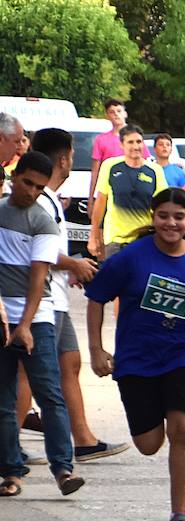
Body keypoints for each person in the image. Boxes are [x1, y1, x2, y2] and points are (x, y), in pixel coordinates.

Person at [85, 188, 185, 521]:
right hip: (136, 359)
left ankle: (180, 514)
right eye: (164, 216)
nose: (171, 223)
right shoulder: (131, 258)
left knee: (183, 429)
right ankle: (152, 438)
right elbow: (95, 298)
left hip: (182, 353)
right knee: (149, 443)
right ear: (153, 218)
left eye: (179, 217)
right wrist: (96, 349)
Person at [20, 128, 125, 464]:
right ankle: (9, 448)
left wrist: (71, 270)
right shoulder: (42, 201)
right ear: (64, 158)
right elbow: (35, 251)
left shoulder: (48, 200)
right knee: (27, 372)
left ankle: (83, 439)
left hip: (56, 296)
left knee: (70, 363)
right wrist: (74, 264)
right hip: (42, 300)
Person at [0, 153, 85, 498]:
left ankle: (63, 469)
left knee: (50, 394)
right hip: (2, 316)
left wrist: (25, 325)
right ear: (13, 177)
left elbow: (39, 276)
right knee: (4, 398)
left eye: (39, 186)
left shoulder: (43, 222)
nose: (32, 192)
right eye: (27, 183)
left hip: (36, 317)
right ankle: (10, 471)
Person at [89, 125, 167, 260]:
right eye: (130, 142)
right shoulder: (110, 166)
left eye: (139, 142)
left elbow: (163, 205)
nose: (136, 147)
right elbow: (101, 200)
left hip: (144, 240)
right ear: (121, 145)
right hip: (115, 240)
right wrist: (94, 235)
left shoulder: (155, 170)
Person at [88, 100, 145, 197]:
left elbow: (145, 163)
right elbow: (95, 171)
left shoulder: (136, 137)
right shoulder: (101, 139)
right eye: (112, 112)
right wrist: (91, 197)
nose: (116, 114)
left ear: (125, 113)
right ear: (107, 116)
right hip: (109, 190)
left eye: (119, 111)